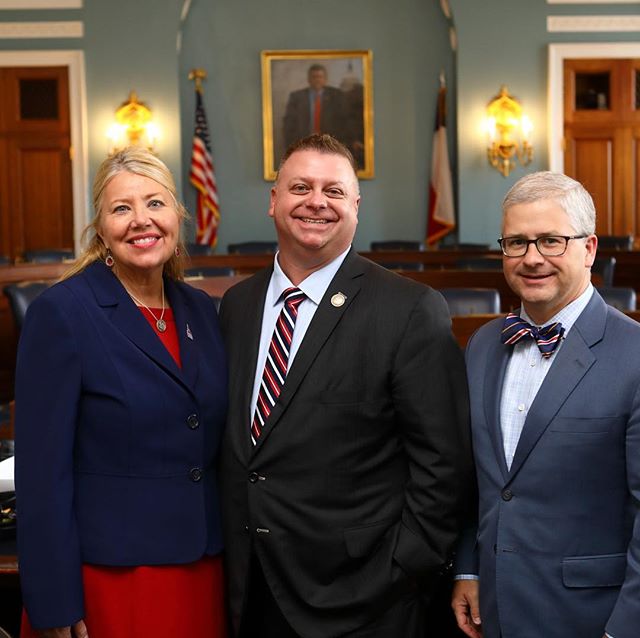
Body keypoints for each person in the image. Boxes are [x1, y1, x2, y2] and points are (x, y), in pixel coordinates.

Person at [218, 133, 474, 638]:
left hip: (364, 601)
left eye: (333, 191)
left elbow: (445, 465)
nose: (316, 201)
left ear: (356, 206)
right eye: (300, 187)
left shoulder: (408, 309)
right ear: (273, 201)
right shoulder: (236, 306)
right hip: (250, 591)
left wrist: (401, 570)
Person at [15, 147, 227, 638]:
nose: (141, 220)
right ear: (101, 229)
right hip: (111, 579)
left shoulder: (201, 310)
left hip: (205, 568)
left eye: (154, 203)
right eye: (121, 208)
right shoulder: (62, 313)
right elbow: (42, 475)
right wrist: (52, 601)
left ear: (178, 215)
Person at [451, 171, 640, 638]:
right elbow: (478, 481)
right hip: (493, 608)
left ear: (589, 248)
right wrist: (469, 569)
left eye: (551, 241)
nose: (532, 258)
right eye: (517, 243)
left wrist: (625, 628)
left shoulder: (634, 354)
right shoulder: (481, 346)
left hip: (592, 616)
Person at [283, 65, 347, 150]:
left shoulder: (336, 95)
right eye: (314, 77)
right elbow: (289, 124)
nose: (317, 80)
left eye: (320, 77)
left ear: (325, 79)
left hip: (330, 145)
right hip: (303, 144)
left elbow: (343, 122)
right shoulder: (296, 97)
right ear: (309, 79)